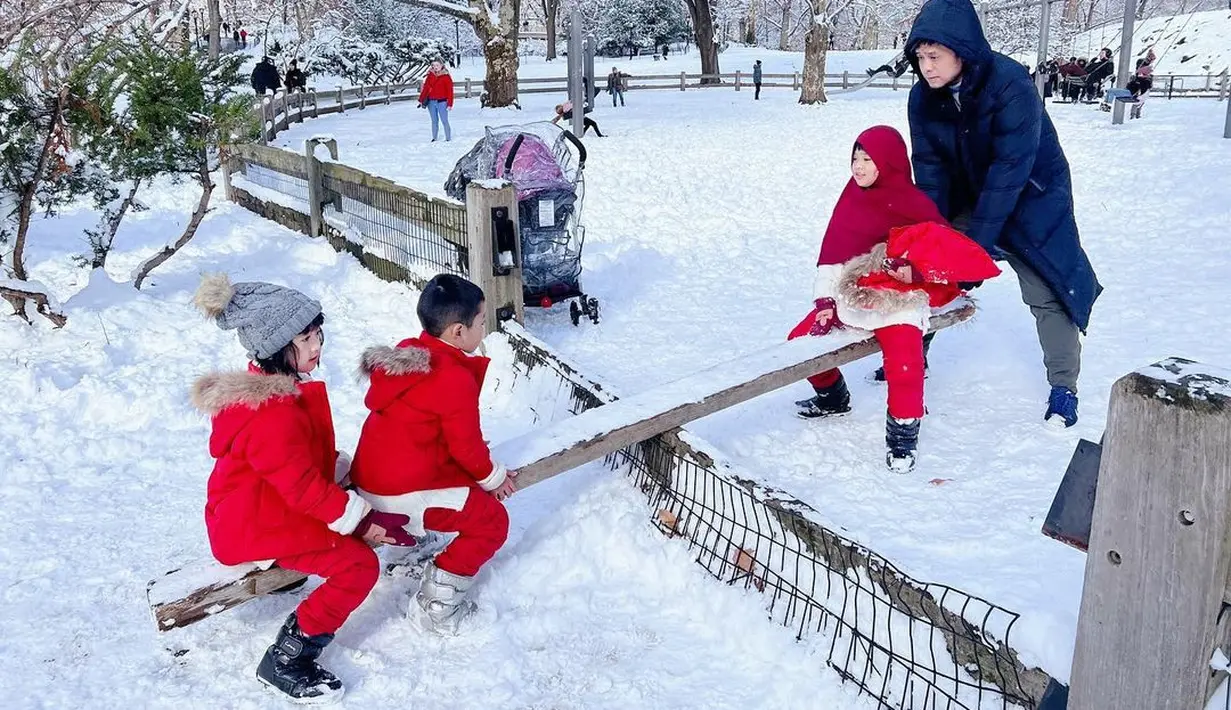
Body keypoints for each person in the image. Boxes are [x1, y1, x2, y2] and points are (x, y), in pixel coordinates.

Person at [190, 274, 415, 703]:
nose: (317, 346)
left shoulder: (277, 392)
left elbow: (295, 468)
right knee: (358, 565)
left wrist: (339, 471)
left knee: (348, 512)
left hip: (254, 509)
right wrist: (361, 521)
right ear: (276, 347)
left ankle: (296, 573)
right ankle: (288, 658)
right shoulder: (271, 413)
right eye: (304, 338)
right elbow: (303, 489)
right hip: (252, 525)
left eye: (317, 334)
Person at [904, 0, 1102, 428]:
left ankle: (1063, 385)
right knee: (928, 270)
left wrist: (976, 248)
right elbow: (931, 171)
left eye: (935, 56)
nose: (926, 67)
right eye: (920, 57)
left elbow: (1009, 171)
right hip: (968, 197)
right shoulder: (922, 97)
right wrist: (939, 237)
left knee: (1047, 290)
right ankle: (910, 355)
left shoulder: (1011, 84)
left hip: (1031, 196)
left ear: (963, 51)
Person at [792, 127, 998, 472]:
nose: (858, 167)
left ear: (888, 162)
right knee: (798, 342)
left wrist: (914, 272)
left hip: (899, 301)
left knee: (904, 363)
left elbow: (943, 254)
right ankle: (833, 398)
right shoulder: (851, 198)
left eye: (868, 159)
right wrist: (825, 301)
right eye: (855, 158)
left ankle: (903, 435)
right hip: (854, 293)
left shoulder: (913, 202)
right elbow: (832, 259)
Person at [351, 274, 518, 635]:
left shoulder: (411, 353)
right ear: (458, 332)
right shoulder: (452, 377)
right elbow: (467, 449)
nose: (485, 329)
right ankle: (437, 605)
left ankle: (413, 546)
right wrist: (495, 478)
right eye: (481, 321)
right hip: (397, 495)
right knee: (492, 522)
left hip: (372, 480)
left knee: (466, 494)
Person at [418, 60, 454, 142]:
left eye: (437, 65)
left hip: (442, 102)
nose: (435, 67)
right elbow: (426, 89)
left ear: (442, 65)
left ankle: (448, 138)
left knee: (444, 120)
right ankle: (434, 138)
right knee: (434, 121)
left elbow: (450, 91)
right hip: (431, 102)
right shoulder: (430, 75)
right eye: (433, 65)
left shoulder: (446, 76)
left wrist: (450, 104)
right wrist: (421, 99)